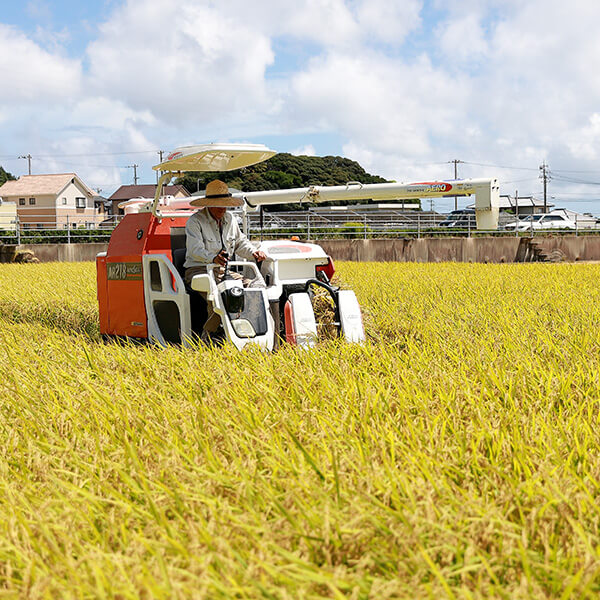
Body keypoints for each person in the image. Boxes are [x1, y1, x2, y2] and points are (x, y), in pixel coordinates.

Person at [184, 179, 266, 339]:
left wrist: (254, 253)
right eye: (219, 203)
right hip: (199, 269)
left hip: (224, 271)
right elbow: (195, 250)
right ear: (208, 204)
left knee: (254, 286)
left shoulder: (230, 219)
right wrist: (213, 258)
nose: (223, 208)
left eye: (225, 203)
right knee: (218, 295)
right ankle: (210, 337)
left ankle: (253, 332)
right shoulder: (195, 221)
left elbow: (240, 242)